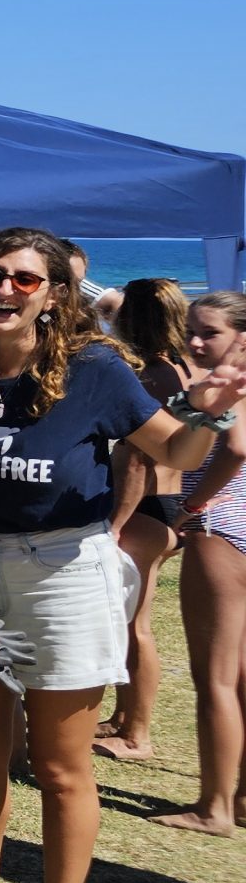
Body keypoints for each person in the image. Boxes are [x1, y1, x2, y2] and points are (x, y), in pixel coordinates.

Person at [0, 230, 244, 883]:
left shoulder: (94, 369)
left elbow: (175, 452)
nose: (4, 289)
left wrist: (206, 413)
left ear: (53, 294)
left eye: (24, 279)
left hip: (64, 573)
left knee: (58, 763)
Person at [96, 277, 199, 759]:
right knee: (133, 620)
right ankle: (123, 717)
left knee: (132, 626)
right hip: (170, 504)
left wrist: (115, 525)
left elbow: (136, 461)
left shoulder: (150, 378)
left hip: (143, 509)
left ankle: (136, 733)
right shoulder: (186, 370)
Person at [158, 292, 246, 836]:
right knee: (239, 673)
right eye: (191, 329)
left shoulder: (230, 386)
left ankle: (214, 807)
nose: (194, 341)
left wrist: (191, 506)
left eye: (209, 332)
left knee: (213, 677)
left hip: (219, 529)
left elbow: (235, 448)